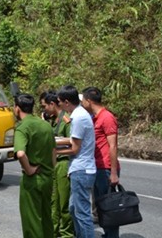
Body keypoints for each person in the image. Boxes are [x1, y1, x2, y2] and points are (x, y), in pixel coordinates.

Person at [13, 93, 56, 238]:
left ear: (17, 108)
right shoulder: (45, 125)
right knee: (46, 218)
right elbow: (53, 151)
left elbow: (20, 153)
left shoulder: (22, 128)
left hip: (33, 180)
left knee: (32, 221)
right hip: (48, 177)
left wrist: (29, 169)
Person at [57, 84, 96, 238]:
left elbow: (74, 148)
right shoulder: (79, 114)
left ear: (67, 102)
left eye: (60, 102)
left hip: (82, 170)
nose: (59, 106)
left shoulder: (79, 117)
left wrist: (55, 151)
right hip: (79, 169)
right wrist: (56, 141)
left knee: (82, 214)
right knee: (74, 208)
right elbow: (74, 139)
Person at [82, 86, 120, 238]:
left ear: (89, 101)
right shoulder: (94, 117)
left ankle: (112, 236)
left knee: (108, 207)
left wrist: (113, 172)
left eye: (83, 100)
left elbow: (113, 146)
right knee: (100, 206)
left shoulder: (107, 117)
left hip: (105, 168)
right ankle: (108, 234)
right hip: (96, 167)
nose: (82, 104)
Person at [43, 92, 75, 238]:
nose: (44, 110)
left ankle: (67, 233)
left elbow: (72, 140)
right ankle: (53, 231)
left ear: (52, 104)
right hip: (54, 164)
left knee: (64, 203)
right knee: (53, 201)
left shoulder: (66, 120)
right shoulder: (52, 120)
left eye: (44, 106)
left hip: (64, 163)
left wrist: (54, 141)